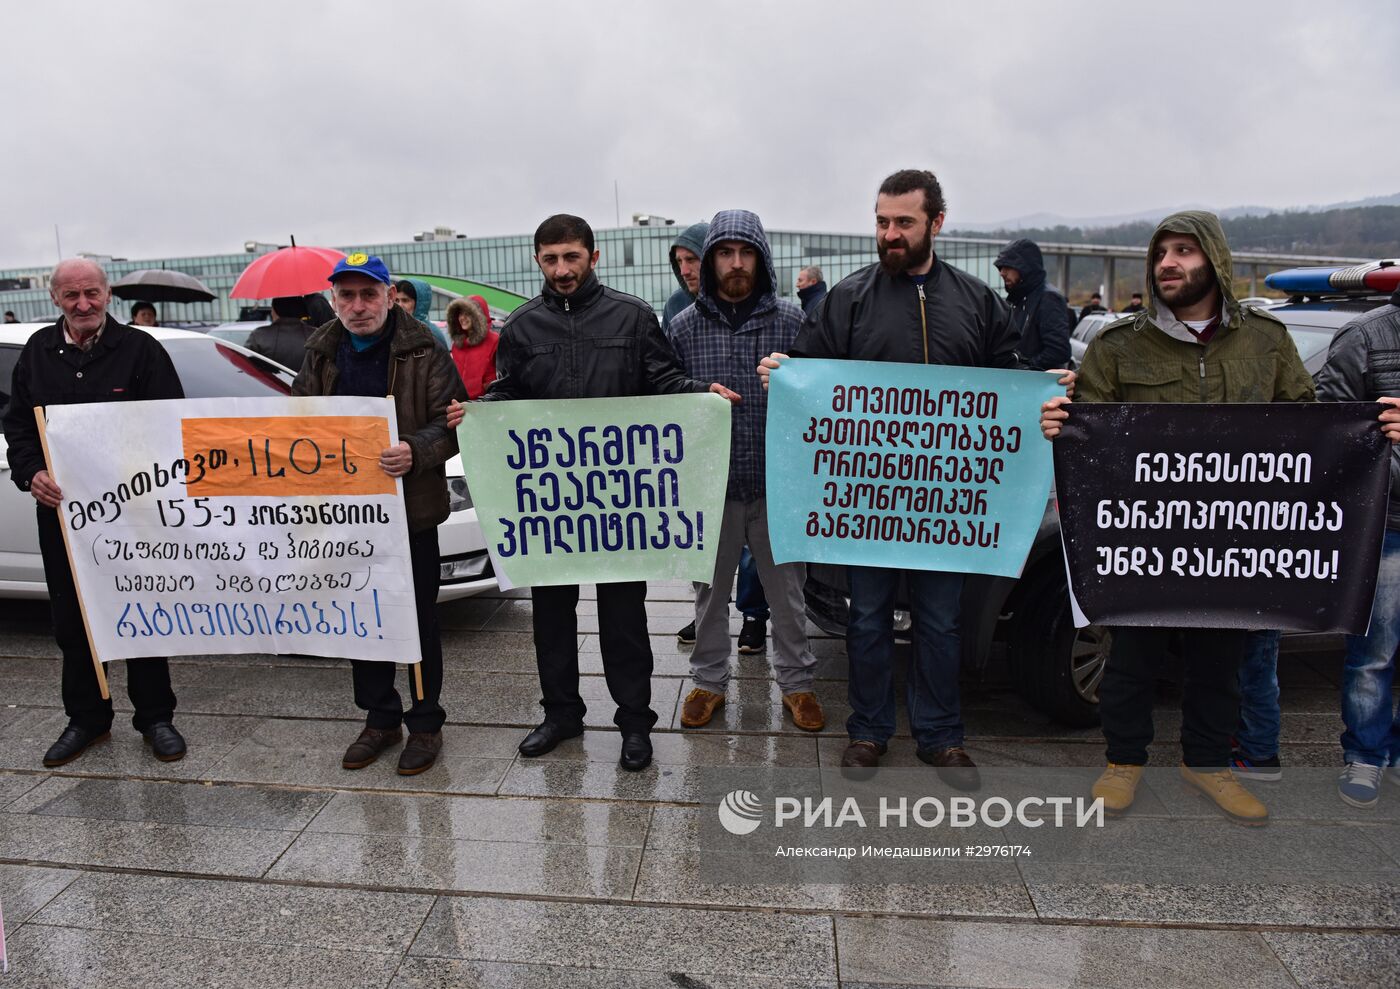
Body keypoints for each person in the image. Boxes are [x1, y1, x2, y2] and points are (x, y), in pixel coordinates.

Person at [1039, 210, 1322, 826]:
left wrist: (1373, 428)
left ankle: (1208, 763)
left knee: (1221, 661)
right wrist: (1062, 424)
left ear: (1214, 260)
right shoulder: (1119, 346)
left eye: (1184, 251)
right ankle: (1123, 762)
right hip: (1143, 537)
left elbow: (1308, 423)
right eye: (1161, 251)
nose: (1168, 262)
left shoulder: (1266, 342)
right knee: (1131, 657)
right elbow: (1090, 431)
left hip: (1233, 537)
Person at [757, 169, 1023, 789]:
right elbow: (811, 378)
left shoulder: (978, 302)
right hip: (868, 499)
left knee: (941, 622)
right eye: (881, 221)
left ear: (937, 222)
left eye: (903, 222)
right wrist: (785, 374)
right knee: (868, 618)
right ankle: (868, 730)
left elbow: (1014, 378)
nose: (890, 234)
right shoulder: (848, 299)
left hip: (947, 501)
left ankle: (941, 736)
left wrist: (1046, 392)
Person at [481, 214, 740, 772]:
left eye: (571, 257)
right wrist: (475, 413)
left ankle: (634, 721)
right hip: (553, 505)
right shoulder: (523, 328)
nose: (562, 269)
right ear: (538, 262)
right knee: (551, 616)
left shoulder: (632, 316)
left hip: (617, 506)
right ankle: (561, 715)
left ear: (592, 257)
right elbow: (505, 394)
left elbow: (664, 383)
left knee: (623, 615)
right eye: (551, 259)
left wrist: (703, 394)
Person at [2, 259, 186, 767]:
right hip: (63, 516)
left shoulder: (141, 351)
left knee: (144, 611)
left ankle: (155, 717)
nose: (83, 304)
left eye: (91, 293)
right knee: (73, 617)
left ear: (108, 294)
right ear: (55, 298)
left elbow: (171, 424)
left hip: (134, 514)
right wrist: (30, 471)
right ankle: (86, 718)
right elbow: (18, 426)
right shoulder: (38, 351)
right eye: (71, 296)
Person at [293, 253, 466, 775]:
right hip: (345, 516)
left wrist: (416, 450)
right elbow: (297, 419)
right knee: (359, 617)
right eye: (346, 295)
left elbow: (453, 422)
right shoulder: (321, 351)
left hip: (410, 512)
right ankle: (379, 717)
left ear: (390, 296)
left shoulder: (424, 349)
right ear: (333, 301)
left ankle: (425, 722)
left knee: (416, 619)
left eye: (369, 294)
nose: (358, 305)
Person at [668, 210, 822, 732]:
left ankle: (797, 684)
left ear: (761, 258)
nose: (736, 264)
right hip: (710, 487)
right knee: (709, 593)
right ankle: (708, 682)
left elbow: (824, 399)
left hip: (779, 485)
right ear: (711, 261)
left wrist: (796, 386)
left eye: (746, 253)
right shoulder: (684, 327)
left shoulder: (792, 321)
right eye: (725, 254)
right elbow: (666, 396)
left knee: (787, 592)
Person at [1314, 281, 1400, 807]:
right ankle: (1366, 756)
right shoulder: (1364, 337)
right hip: (1386, 522)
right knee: (1374, 653)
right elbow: (1332, 428)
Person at [994, 239, 1071, 370]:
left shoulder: (1048, 298)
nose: (1002, 273)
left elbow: (1058, 351)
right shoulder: (1017, 299)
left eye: (1007, 267)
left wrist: (1024, 368)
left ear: (1024, 267)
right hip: (1021, 382)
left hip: (1037, 384)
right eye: (1000, 268)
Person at [446, 295, 498, 399]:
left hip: (488, 405)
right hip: (461, 406)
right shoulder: (457, 345)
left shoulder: (494, 341)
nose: (462, 318)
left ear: (478, 316)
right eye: (460, 313)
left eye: (467, 313)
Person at [661, 222, 709, 334]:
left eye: (691, 259)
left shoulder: (740, 298)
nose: (684, 272)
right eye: (679, 261)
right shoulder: (675, 304)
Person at [245, 296, 316, 371]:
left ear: (275, 310)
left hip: (268, 382)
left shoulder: (259, 336)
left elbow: (245, 365)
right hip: (308, 382)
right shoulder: (317, 335)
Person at [393, 278, 452, 350]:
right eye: (396, 300)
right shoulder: (392, 329)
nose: (399, 305)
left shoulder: (431, 334)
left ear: (419, 303)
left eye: (405, 300)